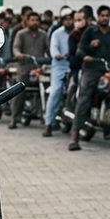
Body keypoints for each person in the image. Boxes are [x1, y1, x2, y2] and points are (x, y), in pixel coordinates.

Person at [69, 5, 110, 151]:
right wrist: (87, 53)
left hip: (109, 70)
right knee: (84, 100)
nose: (105, 18)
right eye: (102, 15)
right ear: (98, 17)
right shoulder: (91, 31)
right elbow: (80, 50)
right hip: (92, 70)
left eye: (107, 15)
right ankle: (74, 137)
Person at [9, 11, 48, 129]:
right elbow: (15, 48)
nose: (35, 22)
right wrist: (19, 55)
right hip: (24, 67)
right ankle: (14, 119)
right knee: (19, 90)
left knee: (48, 89)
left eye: (37, 20)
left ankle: (48, 118)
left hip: (39, 68)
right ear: (27, 21)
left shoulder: (43, 34)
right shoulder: (21, 34)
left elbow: (49, 49)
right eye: (32, 20)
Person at [43, 8, 75, 137]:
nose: (68, 21)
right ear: (62, 21)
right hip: (60, 66)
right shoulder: (57, 33)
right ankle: (48, 124)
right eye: (66, 19)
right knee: (56, 91)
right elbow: (53, 50)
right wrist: (58, 55)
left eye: (70, 19)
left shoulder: (77, 32)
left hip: (73, 65)